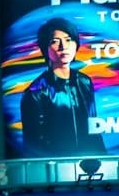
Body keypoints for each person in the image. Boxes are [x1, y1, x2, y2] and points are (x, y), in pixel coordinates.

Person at [19, 17, 101, 158]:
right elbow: (34, 145)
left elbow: (93, 128)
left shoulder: (84, 82)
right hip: (55, 167)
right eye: (55, 41)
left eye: (68, 40)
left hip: (89, 163)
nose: (63, 46)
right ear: (45, 48)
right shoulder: (36, 93)